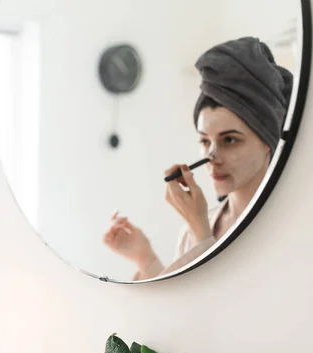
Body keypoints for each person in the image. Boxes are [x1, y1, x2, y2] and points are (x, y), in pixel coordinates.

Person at [103, 36, 293, 281]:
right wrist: (145, 258)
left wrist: (201, 231)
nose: (212, 157)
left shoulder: (290, 224)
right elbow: (186, 309)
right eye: (205, 141)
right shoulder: (192, 230)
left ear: (268, 141)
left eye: (230, 140)